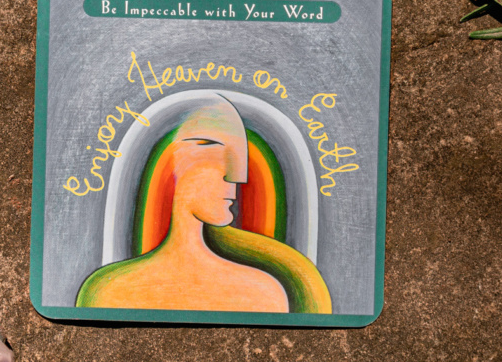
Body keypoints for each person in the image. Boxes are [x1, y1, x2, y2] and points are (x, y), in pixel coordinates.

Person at [75, 95, 331, 314]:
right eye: (210, 147)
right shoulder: (107, 291)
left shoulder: (266, 292)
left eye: (238, 157)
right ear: (169, 162)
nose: (237, 178)